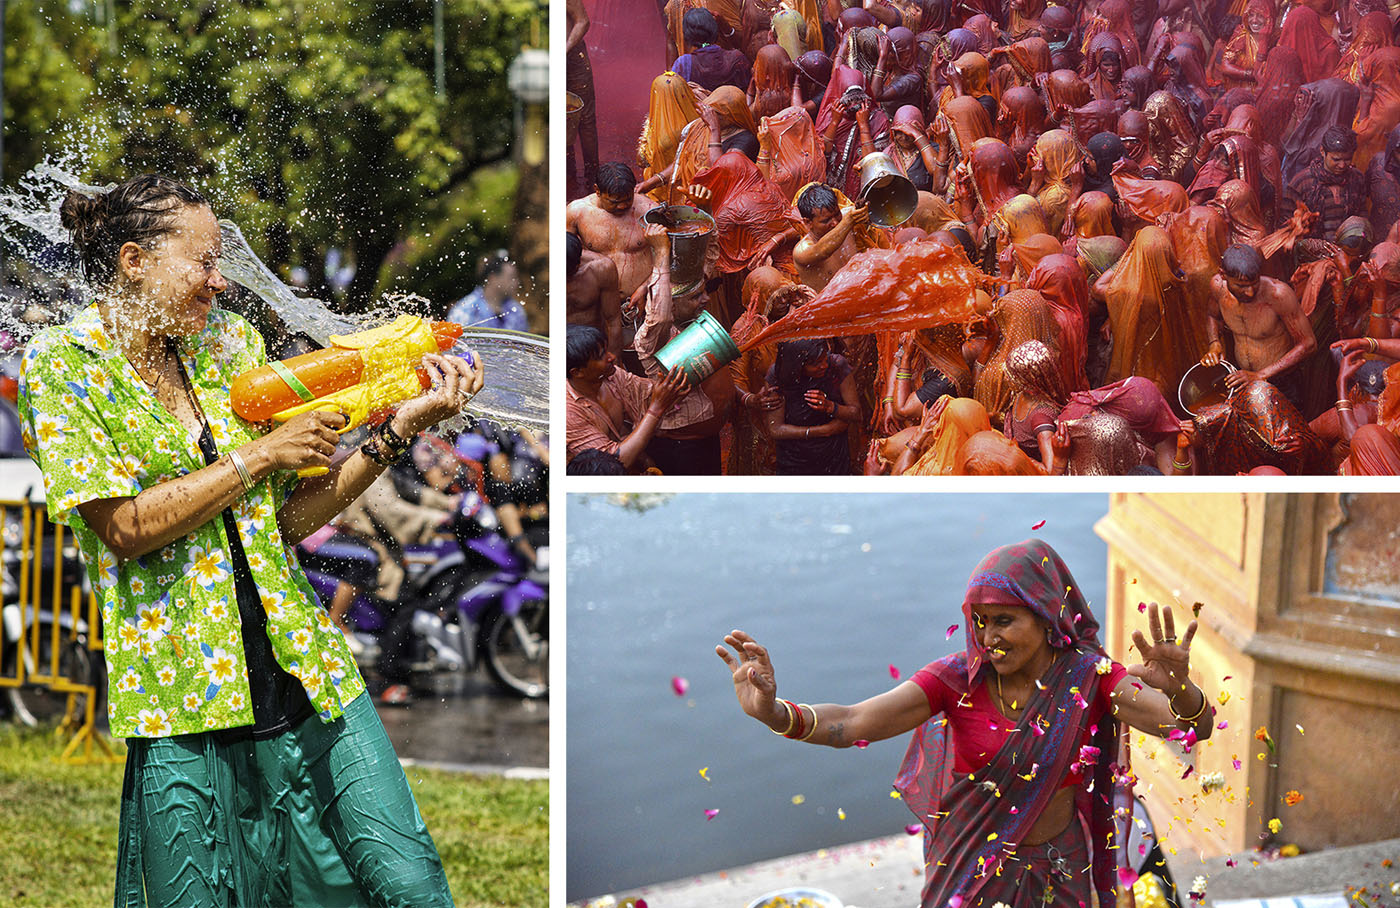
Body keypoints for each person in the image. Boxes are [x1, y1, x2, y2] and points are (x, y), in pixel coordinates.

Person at [20, 173, 484, 905]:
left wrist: (401, 426)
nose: (219, 281)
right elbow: (126, 530)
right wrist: (258, 456)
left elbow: (285, 523)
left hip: (307, 670)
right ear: (135, 260)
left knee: (412, 886)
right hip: (183, 694)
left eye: (219, 262)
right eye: (202, 262)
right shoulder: (64, 366)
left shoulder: (230, 342)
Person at [717, 539, 1215, 908]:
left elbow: (1189, 727)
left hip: (1059, 864)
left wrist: (1181, 691)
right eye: (979, 621)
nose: (988, 638)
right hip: (971, 859)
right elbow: (850, 723)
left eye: (1004, 621)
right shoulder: (957, 679)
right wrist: (774, 713)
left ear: (1046, 619)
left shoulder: (1090, 679)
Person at [1202, 244, 1318, 410]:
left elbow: (1309, 344)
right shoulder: (1218, 287)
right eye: (1241, 286)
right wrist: (1214, 343)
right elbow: (1212, 316)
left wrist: (1260, 375)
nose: (1249, 292)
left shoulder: (1278, 295)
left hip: (1282, 382)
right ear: (1223, 275)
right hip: (1242, 378)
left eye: (1254, 283)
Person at [565, 323, 688, 472]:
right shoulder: (568, 413)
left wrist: (671, 384)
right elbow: (611, 466)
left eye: (607, 350)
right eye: (601, 356)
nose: (612, 357)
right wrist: (656, 409)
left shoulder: (610, 375)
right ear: (577, 372)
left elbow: (646, 392)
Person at [567, 162, 659, 310]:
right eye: (615, 202)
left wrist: (647, 286)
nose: (622, 206)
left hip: (643, 300)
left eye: (628, 200)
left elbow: (667, 256)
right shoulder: (576, 213)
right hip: (596, 303)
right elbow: (566, 258)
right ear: (597, 191)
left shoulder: (650, 211)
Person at [793, 182, 872, 291]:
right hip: (831, 304)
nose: (835, 223)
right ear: (808, 222)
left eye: (837, 214)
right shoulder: (802, 251)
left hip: (864, 291)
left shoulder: (848, 217)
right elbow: (823, 251)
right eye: (826, 220)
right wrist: (849, 221)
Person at [566, 232, 624, 358]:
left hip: (593, 351)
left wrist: (613, 359)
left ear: (577, 266)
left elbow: (613, 321)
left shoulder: (601, 269)